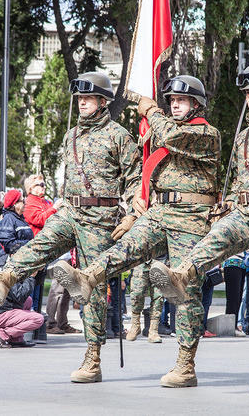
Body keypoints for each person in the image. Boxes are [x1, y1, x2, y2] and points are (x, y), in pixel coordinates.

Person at [137, 62, 249, 393]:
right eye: (248, 93)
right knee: (208, 244)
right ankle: (179, 276)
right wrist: (228, 204)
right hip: (244, 213)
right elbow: (237, 180)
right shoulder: (244, 135)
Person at [0, 71, 141, 383]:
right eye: (80, 98)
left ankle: (93, 356)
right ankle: (4, 279)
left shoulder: (119, 136)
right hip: (71, 211)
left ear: (103, 102)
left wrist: (130, 214)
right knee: (40, 244)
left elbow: (136, 179)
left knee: (91, 286)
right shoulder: (71, 135)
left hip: (101, 218)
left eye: (89, 98)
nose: (82, 103)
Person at [51, 74, 220, 387]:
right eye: (172, 101)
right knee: (123, 250)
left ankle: (185, 365)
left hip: (191, 217)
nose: (175, 105)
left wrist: (150, 110)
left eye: (182, 100)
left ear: (196, 104)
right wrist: (136, 206)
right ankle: (86, 278)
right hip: (159, 211)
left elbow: (170, 134)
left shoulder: (205, 133)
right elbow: (148, 169)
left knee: (186, 291)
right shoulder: (163, 131)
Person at [23, 174, 63, 311]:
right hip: (35, 249)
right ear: (30, 188)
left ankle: (37, 314)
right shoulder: (29, 202)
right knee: (31, 286)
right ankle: (30, 314)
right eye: (39, 185)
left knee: (39, 285)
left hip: (46, 249)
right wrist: (54, 208)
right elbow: (39, 219)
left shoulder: (46, 202)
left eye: (44, 184)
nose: (43, 187)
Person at [0, 272, 43, 348]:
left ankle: (16, 339)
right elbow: (19, 296)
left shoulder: (14, 270)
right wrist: (31, 277)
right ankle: (3, 334)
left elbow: (36, 283)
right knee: (38, 319)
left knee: (28, 300)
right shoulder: (10, 273)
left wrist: (39, 272)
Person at [126, 261, 163, 343]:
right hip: (141, 261)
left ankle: (153, 330)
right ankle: (135, 325)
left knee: (158, 297)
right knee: (137, 293)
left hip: (160, 260)